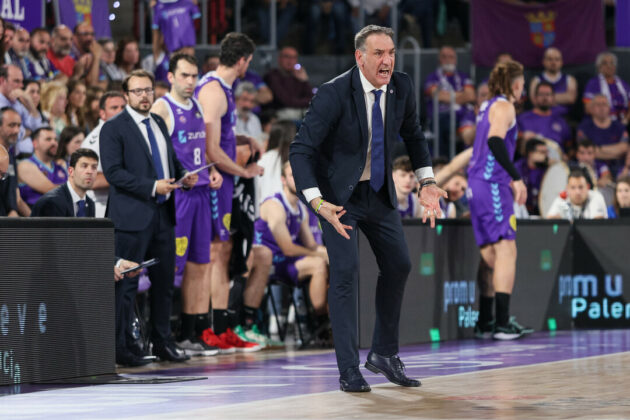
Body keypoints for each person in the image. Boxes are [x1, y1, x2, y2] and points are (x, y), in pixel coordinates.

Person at [290, 25, 445, 392]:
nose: (387, 60)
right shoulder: (333, 94)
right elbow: (300, 151)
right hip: (336, 199)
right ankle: (348, 369)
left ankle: (384, 354)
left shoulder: (401, 86)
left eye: (391, 53)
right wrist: (317, 202)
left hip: (377, 191)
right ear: (360, 57)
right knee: (345, 272)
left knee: (399, 264)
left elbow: (414, 136)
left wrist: (427, 181)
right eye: (379, 53)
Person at [100, 69, 198, 366]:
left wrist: (183, 176)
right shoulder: (113, 128)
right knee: (126, 286)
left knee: (164, 283)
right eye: (138, 91)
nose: (144, 96)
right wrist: (152, 186)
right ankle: (121, 346)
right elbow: (114, 173)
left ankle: (162, 341)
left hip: (163, 215)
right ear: (126, 95)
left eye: (148, 90)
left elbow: (169, 160)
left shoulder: (158, 121)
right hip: (131, 218)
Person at [150, 52, 225, 356]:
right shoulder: (161, 107)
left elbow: (200, 149)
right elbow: (153, 154)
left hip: (202, 192)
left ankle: (190, 333)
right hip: (178, 194)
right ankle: (162, 335)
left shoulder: (197, 105)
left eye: (194, 75)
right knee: (174, 265)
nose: (191, 81)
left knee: (200, 263)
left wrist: (212, 168)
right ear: (170, 76)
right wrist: (176, 177)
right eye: (184, 75)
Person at [194, 32, 265, 351]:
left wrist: (242, 140)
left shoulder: (222, 89)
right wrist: (243, 170)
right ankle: (208, 327)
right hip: (213, 179)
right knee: (212, 253)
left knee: (222, 251)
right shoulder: (213, 90)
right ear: (243, 61)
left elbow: (220, 137)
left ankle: (221, 326)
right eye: (249, 61)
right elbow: (210, 148)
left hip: (223, 181)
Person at [467, 60, 532, 341]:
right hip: (492, 183)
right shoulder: (505, 107)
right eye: (523, 84)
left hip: (476, 183)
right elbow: (495, 141)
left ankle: (485, 321)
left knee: (491, 255)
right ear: (516, 84)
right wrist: (516, 177)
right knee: (507, 250)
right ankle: (502, 323)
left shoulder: (486, 105)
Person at [244, 161, 330, 346]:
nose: (297, 179)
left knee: (332, 262)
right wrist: (321, 256)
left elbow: (312, 245)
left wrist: (332, 255)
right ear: (283, 180)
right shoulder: (275, 205)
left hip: (287, 262)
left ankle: (330, 321)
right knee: (318, 265)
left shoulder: (301, 208)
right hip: (270, 261)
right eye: (292, 175)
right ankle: (321, 325)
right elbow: (288, 248)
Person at [81, 91, 126, 217]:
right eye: (114, 108)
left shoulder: (122, 133)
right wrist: (128, 177)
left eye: (123, 107)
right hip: (100, 208)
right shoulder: (94, 141)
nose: (120, 111)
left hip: (118, 204)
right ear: (102, 113)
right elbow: (90, 179)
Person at [424, 46, 476, 149]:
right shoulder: (432, 77)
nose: (447, 60)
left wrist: (450, 96)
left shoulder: (463, 76)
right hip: (441, 117)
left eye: (451, 57)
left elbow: (471, 96)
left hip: (464, 114)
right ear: (439, 60)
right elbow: (438, 95)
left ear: (455, 60)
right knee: (448, 123)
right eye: (444, 57)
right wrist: (462, 95)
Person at [31, 148, 98, 217]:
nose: (90, 171)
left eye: (94, 167)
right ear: (71, 171)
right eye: (84, 166)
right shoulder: (52, 202)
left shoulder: (90, 204)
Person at [577, 94, 629, 175]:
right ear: (592, 108)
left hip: (618, 167)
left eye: (604, 104)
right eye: (598, 105)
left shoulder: (619, 126)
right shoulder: (584, 127)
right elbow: (586, 151)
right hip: (594, 167)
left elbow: (624, 149)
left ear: (609, 108)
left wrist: (599, 149)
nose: (602, 108)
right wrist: (615, 152)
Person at [517, 81, 571, 157]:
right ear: (535, 97)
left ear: (553, 97)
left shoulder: (560, 121)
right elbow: (514, 144)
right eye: (541, 94)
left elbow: (569, 147)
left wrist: (567, 156)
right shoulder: (523, 119)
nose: (545, 98)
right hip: (530, 160)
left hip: (556, 161)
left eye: (548, 94)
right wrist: (523, 137)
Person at [18, 127, 68, 207]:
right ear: (35, 143)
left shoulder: (60, 166)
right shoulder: (25, 165)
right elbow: (51, 189)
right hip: (36, 213)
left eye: (55, 139)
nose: (54, 143)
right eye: (48, 139)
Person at [264, 46, 314, 121]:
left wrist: (305, 81)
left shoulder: (299, 76)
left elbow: (312, 100)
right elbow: (286, 101)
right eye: (287, 57)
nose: (290, 61)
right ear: (279, 59)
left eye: (294, 57)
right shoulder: (272, 76)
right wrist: (303, 102)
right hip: (279, 114)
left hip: (300, 112)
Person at [528, 47, 577, 116]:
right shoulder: (536, 80)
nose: (553, 62)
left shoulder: (570, 79)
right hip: (542, 117)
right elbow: (535, 101)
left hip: (564, 118)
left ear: (561, 62)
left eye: (557, 59)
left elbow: (571, 98)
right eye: (550, 59)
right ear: (544, 62)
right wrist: (563, 97)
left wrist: (544, 98)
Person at [583, 52, 630, 124]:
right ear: (599, 67)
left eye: (612, 63)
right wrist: (607, 123)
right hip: (601, 122)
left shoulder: (623, 84)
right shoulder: (593, 84)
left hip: (624, 122)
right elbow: (588, 108)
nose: (609, 66)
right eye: (604, 63)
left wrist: (626, 119)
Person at [0, 108, 29, 216]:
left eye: (18, 125)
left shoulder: (11, 157)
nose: (16, 130)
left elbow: (17, 199)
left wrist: (36, 222)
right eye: (11, 125)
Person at [514, 138, 549, 216]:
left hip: (540, 209)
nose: (545, 155)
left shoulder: (547, 169)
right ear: (530, 153)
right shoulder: (518, 167)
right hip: (520, 207)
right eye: (542, 152)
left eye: (546, 152)